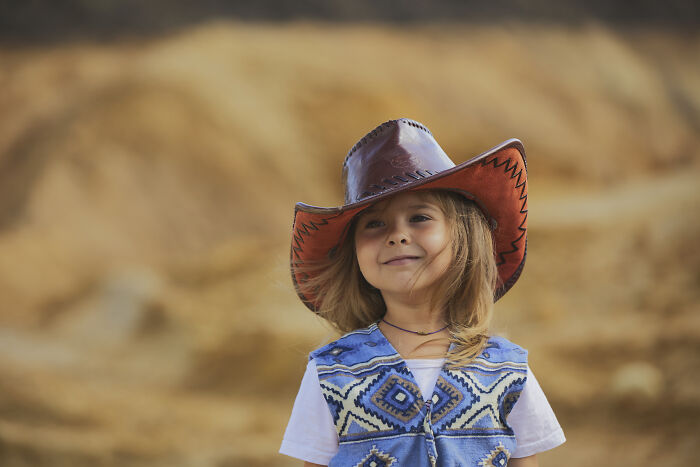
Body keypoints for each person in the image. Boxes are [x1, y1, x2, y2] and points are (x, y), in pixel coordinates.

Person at [279, 118, 565, 466]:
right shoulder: (330, 373)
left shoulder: (507, 369)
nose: (397, 235)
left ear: (463, 237)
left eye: (419, 218)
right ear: (354, 253)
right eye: (374, 223)